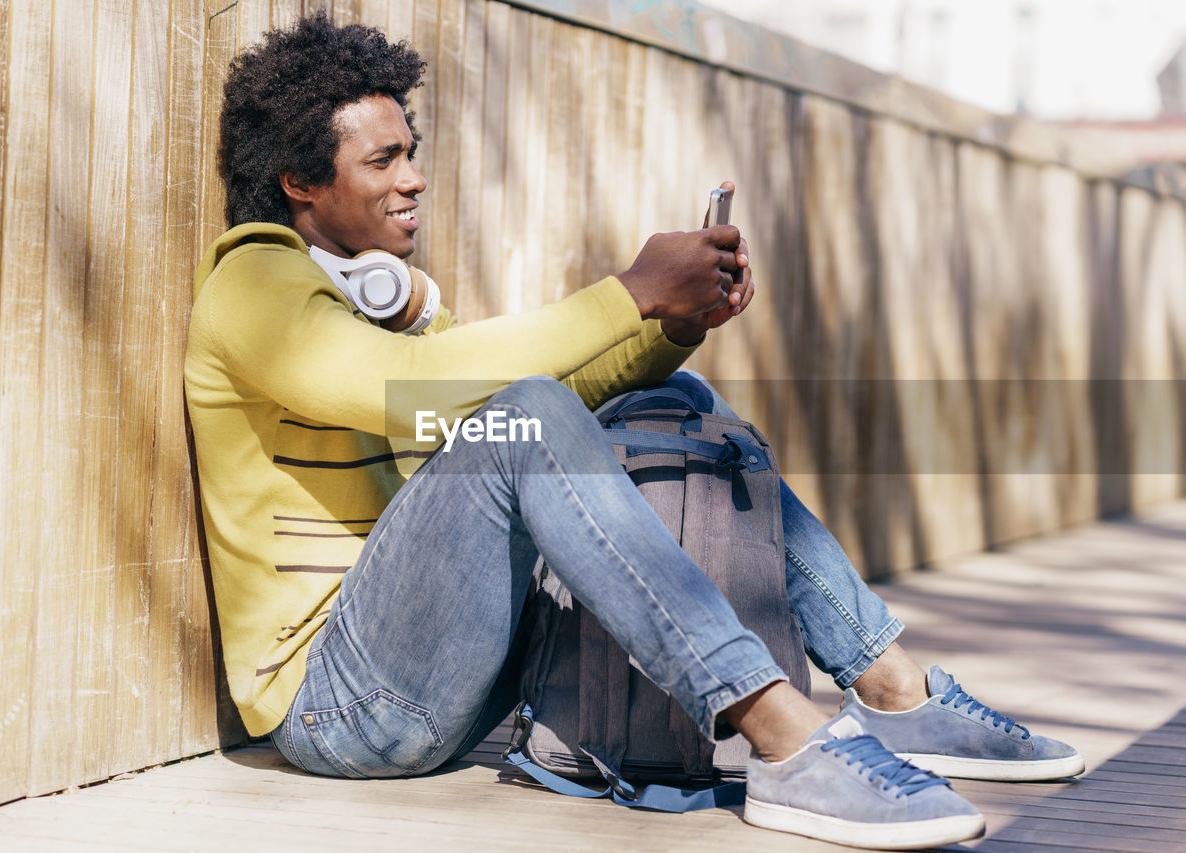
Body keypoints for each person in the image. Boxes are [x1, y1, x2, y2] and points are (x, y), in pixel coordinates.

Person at [186, 13, 1082, 849]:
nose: (413, 177)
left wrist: (671, 329)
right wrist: (631, 289)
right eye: (382, 160)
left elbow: (527, 398)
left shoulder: (381, 298)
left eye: (411, 154)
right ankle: (780, 737)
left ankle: (892, 689)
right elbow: (417, 391)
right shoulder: (253, 290)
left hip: (441, 673)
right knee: (525, 413)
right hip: (339, 711)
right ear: (300, 182)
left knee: (676, 399)